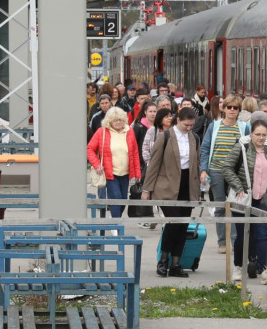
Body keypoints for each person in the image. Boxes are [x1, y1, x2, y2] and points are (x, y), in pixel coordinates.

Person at [141, 107, 201, 278]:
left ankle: (176, 263)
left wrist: (197, 191)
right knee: (173, 223)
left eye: (191, 125)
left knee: (183, 226)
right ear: (178, 120)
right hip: (166, 185)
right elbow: (154, 164)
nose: (189, 128)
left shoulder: (194, 138)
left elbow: (195, 165)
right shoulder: (165, 136)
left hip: (186, 185)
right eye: (186, 125)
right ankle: (163, 260)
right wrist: (147, 189)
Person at [222, 118, 267, 282]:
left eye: (264, 135)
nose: (261, 138)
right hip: (244, 198)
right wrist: (239, 187)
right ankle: (238, 267)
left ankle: (265, 270)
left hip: (263, 200)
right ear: (251, 134)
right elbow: (226, 168)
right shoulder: (242, 148)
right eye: (257, 134)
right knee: (242, 235)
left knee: (262, 235)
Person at [200, 95, 251, 249]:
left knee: (235, 206)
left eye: (235, 108)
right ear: (224, 108)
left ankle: (235, 242)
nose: (232, 110)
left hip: (236, 172)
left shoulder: (244, 127)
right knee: (221, 206)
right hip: (216, 170)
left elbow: (247, 151)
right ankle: (222, 242)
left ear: (239, 110)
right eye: (229, 107)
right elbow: (205, 148)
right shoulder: (214, 126)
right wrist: (203, 170)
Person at [87, 107, 141, 219]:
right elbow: (89, 149)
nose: (118, 122)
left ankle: (115, 219)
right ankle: (116, 224)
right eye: (115, 120)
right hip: (110, 173)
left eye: (120, 120)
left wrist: (137, 173)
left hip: (125, 173)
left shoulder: (129, 131)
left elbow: (135, 152)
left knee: (123, 199)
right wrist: (96, 165)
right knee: (116, 197)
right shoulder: (101, 132)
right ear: (109, 121)